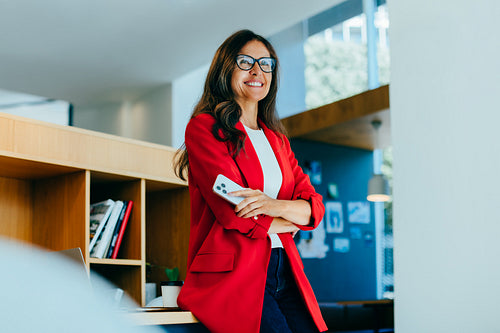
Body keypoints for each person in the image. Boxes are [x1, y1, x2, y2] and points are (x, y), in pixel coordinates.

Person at [174, 29, 327, 333]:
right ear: (225, 68)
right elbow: (233, 208)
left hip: (286, 267)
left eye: (266, 63)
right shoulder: (205, 128)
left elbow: (314, 208)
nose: (257, 71)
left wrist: (272, 205)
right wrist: (289, 218)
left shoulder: (278, 141)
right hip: (235, 275)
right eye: (245, 62)